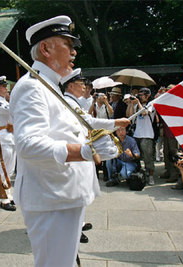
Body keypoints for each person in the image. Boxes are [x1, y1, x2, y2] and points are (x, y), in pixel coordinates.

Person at [9, 15, 119, 267]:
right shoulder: (32, 87)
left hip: (61, 193)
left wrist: (99, 145)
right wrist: (84, 151)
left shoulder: (50, 85)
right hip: (50, 197)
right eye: (68, 44)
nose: (74, 51)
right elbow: (28, 144)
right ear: (46, 48)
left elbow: (67, 132)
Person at [61, 68, 130, 243]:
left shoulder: (72, 101)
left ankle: (79, 223)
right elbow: (89, 122)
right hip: (77, 151)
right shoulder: (68, 101)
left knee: (82, 190)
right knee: (76, 192)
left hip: (83, 148)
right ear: (71, 85)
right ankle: (74, 230)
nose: (85, 86)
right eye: (81, 83)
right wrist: (115, 123)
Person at [0, 76, 17, 211]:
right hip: (2, 136)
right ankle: (3, 198)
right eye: (3, 86)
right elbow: (11, 110)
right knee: (4, 168)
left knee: (11, 168)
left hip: (11, 136)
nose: (5, 88)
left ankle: (8, 193)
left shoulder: (6, 101)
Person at [126, 87, 156, 185]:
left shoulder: (151, 104)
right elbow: (129, 116)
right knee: (136, 156)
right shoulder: (136, 105)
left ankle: (150, 176)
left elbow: (144, 113)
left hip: (147, 135)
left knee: (148, 157)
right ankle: (139, 174)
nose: (140, 96)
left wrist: (138, 103)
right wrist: (131, 104)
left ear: (147, 96)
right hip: (137, 134)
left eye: (142, 95)